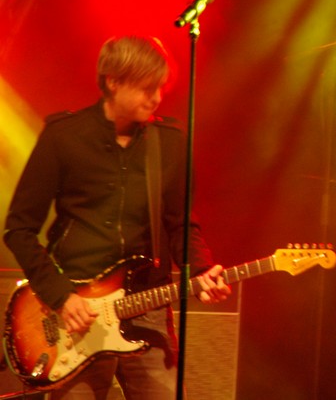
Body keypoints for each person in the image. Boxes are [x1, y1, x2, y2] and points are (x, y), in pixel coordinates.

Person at [4, 35, 230, 399]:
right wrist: (61, 296)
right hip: (76, 312)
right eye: (146, 88)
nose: (156, 98)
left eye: (160, 88)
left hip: (147, 306)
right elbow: (19, 229)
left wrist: (201, 270)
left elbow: (181, 225)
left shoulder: (169, 142)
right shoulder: (64, 136)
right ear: (113, 81)